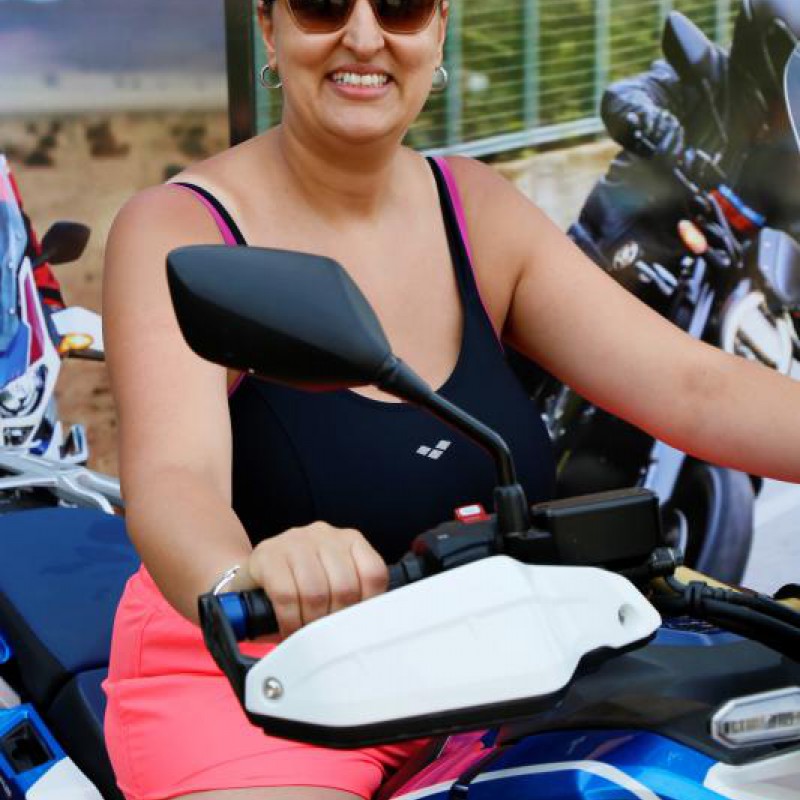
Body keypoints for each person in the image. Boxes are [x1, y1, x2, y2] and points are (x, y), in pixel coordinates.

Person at [102, 1, 800, 799]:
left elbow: (692, 386)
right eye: (323, 5)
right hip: (266, 685)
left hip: (495, 669)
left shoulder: (475, 209)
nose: (364, 37)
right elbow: (175, 478)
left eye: (400, 8)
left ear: (436, 30)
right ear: (269, 26)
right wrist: (244, 576)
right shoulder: (178, 228)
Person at [570, 0, 800, 275]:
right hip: (610, 250)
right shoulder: (703, 79)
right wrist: (656, 127)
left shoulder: (788, 154)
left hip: (702, 285)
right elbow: (622, 97)